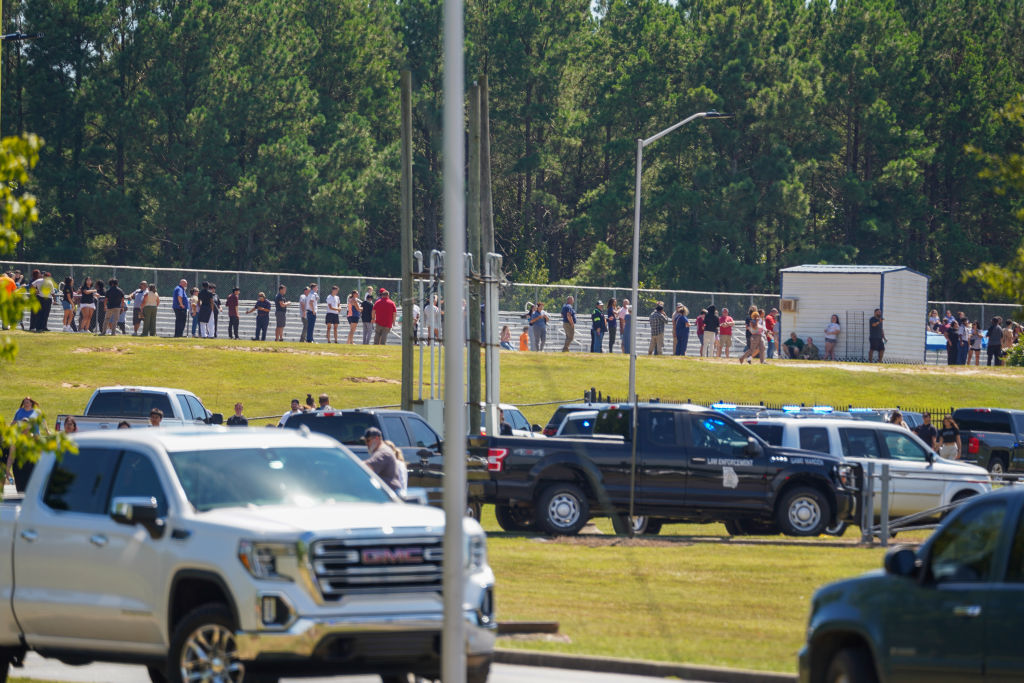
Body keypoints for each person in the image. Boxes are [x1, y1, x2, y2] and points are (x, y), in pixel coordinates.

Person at [363, 427, 403, 493]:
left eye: (368, 440)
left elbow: (369, 465)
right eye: (365, 441)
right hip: (386, 492)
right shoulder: (381, 450)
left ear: (376, 439)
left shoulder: (383, 452)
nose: (366, 444)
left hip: (390, 493)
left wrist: (352, 465)